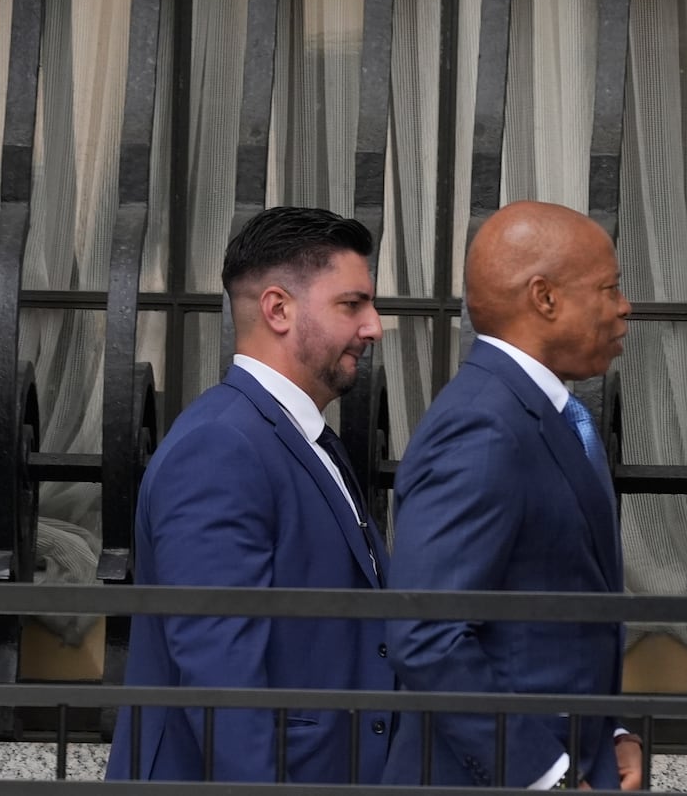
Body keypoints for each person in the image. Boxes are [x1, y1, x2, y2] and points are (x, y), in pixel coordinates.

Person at [106, 206, 394, 783]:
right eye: (352, 304)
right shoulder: (220, 447)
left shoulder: (302, 438)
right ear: (278, 309)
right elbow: (220, 673)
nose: (374, 326)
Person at [381, 200, 642, 789]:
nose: (624, 307)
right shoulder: (484, 427)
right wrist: (544, 773)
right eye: (609, 288)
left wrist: (612, 734)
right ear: (544, 298)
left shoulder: (548, 414)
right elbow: (426, 634)